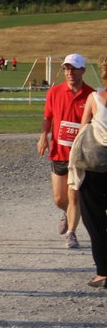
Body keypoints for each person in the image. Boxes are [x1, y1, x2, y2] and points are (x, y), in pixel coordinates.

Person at [38, 54, 93, 248]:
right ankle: (68, 213)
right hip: (59, 152)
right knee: (60, 198)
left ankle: (71, 233)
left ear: (83, 70)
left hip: (80, 155)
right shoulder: (54, 92)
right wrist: (44, 135)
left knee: (74, 195)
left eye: (74, 68)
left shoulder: (91, 95)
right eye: (67, 69)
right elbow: (48, 116)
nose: (70, 73)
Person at [74, 56, 107, 288]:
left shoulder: (95, 98)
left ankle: (103, 272)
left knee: (94, 218)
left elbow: (83, 129)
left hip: (96, 165)